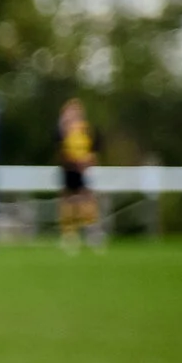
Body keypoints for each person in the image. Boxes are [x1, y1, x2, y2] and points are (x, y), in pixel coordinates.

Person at [55, 98, 101, 252]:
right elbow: (60, 151)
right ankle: (69, 234)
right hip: (70, 169)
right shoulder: (62, 130)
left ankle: (91, 231)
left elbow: (94, 149)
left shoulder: (86, 130)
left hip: (85, 169)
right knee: (68, 200)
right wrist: (75, 162)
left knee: (87, 199)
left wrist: (87, 162)